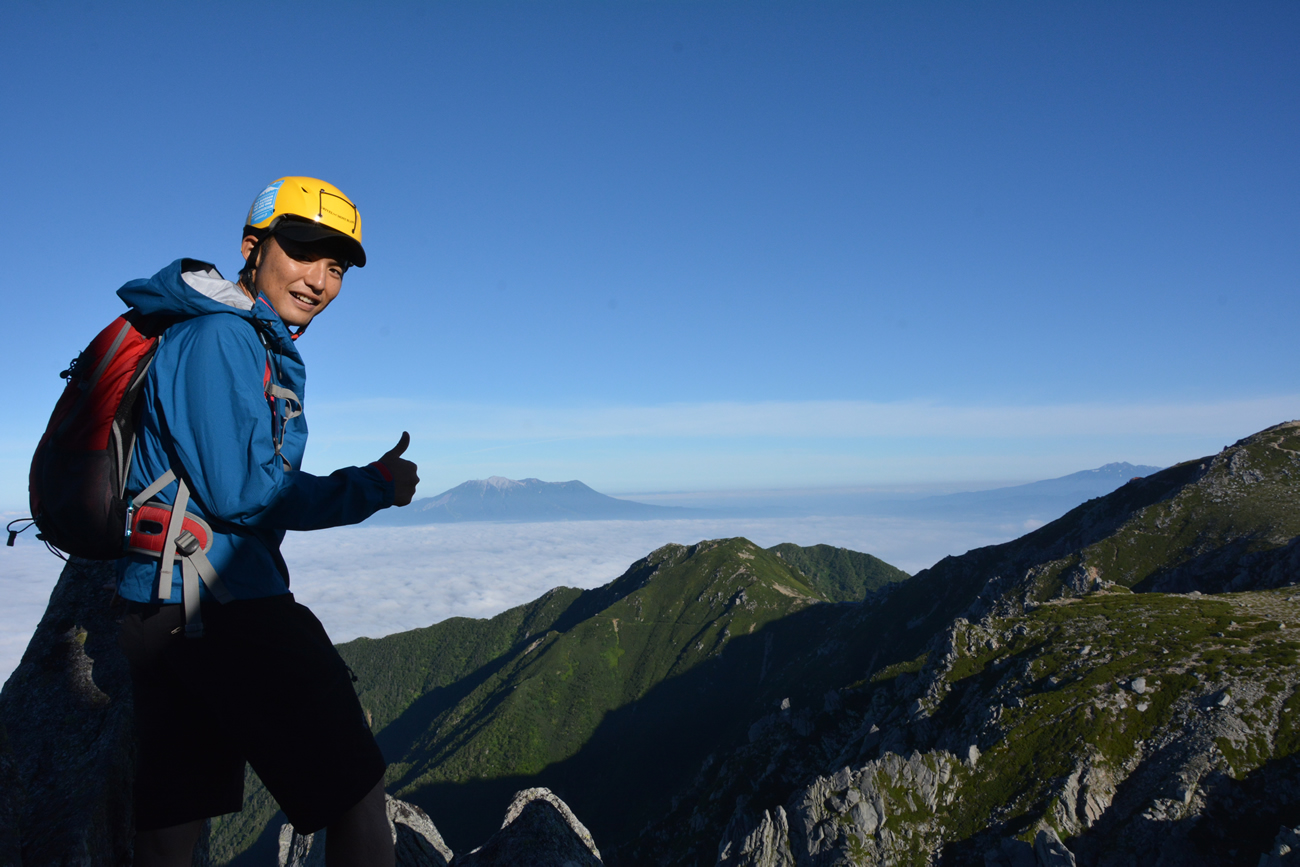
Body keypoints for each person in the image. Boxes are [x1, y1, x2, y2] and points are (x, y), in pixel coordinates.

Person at [115, 177, 417, 867]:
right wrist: (372, 486)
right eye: (305, 251)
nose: (319, 279)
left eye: (337, 266)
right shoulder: (224, 337)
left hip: (164, 612)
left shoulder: (204, 330)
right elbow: (248, 494)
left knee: (173, 824)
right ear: (254, 247)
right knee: (360, 801)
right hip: (227, 612)